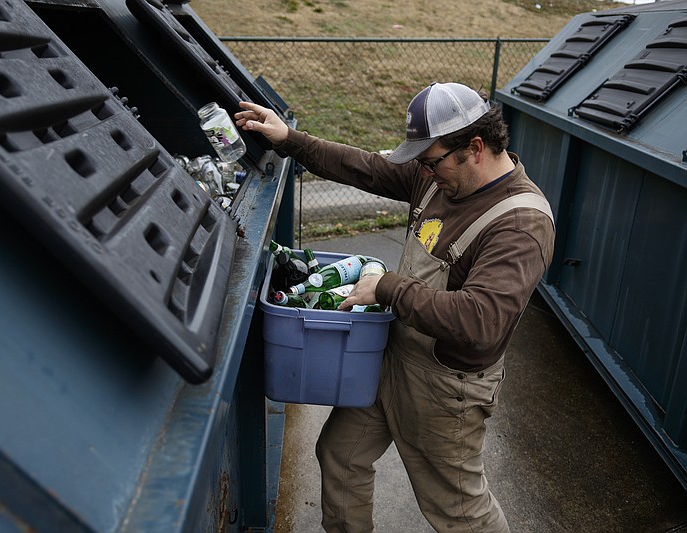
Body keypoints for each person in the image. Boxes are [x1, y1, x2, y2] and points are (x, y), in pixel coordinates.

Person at [236, 82, 555, 533]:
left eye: (432, 161)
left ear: (475, 147)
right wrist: (290, 141)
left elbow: (480, 321)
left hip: (446, 389)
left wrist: (387, 288)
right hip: (390, 355)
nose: (425, 172)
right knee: (340, 456)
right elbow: (365, 168)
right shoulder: (437, 178)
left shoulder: (519, 224)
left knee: (459, 511)